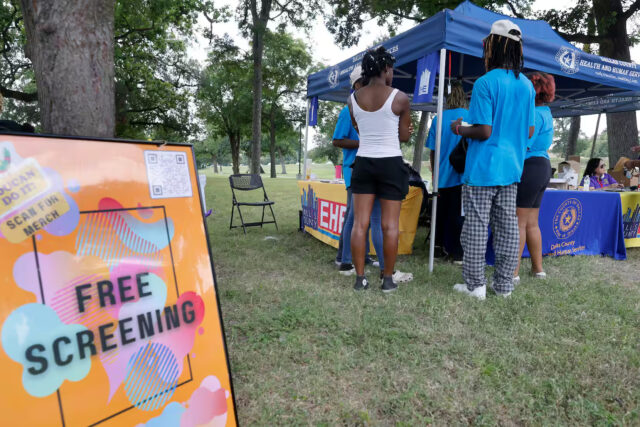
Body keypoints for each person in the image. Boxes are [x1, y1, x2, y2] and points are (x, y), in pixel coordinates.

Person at [449, 19, 536, 300]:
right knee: (508, 229)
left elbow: (484, 131)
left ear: (494, 45)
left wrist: (460, 128)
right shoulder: (526, 86)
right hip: (512, 168)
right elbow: (530, 129)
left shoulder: (486, 82)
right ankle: (504, 286)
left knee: (475, 226)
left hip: (483, 167)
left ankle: (476, 286)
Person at [347, 46, 413, 293]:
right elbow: (404, 137)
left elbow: (360, 129)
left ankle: (360, 279)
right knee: (389, 225)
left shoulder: (352, 99)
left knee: (360, 223)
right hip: (390, 163)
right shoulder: (400, 97)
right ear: (386, 69)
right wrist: (406, 128)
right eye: (391, 69)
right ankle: (387, 279)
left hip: (363, 162)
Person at [333, 65, 382, 274]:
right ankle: (344, 260)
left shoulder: (371, 109)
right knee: (353, 215)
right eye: (365, 82)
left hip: (369, 167)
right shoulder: (347, 111)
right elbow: (337, 140)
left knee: (367, 216)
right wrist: (364, 144)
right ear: (357, 85)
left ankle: (362, 255)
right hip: (353, 169)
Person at [513, 72, 556, 284]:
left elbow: (523, 145)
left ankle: (513, 274)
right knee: (532, 223)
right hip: (543, 166)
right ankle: (538, 269)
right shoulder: (547, 112)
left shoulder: (534, 114)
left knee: (519, 223)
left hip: (529, 166)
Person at [425, 81, 468, 263]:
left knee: (439, 215)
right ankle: (458, 253)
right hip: (463, 175)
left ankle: (436, 248)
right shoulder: (470, 116)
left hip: (441, 176)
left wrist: (435, 172)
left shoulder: (438, 118)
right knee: (459, 215)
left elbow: (432, 150)